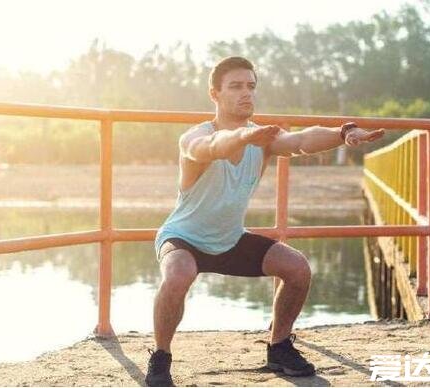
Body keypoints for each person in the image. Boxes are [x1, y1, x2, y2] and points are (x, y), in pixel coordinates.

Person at [146, 56, 385, 386]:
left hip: (229, 239)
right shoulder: (194, 137)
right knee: (179, 273)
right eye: (236, 87)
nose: (246, 93)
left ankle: (279, 346)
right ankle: (160, 357)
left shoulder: (262, 138)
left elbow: (301, 141)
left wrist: (343, 132)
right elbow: (210, 147)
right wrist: (243, 137)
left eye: (251, 86)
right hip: (183, 238)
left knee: (297, 268)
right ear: (214, 94)